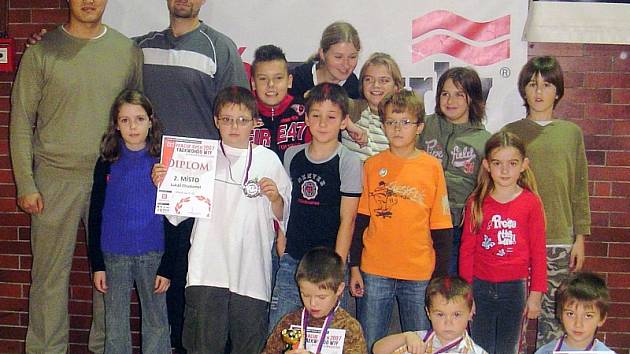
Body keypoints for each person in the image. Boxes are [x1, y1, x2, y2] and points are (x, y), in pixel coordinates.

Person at [9, 0, 143, 352]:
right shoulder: (42, 51)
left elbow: (138, 117)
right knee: (49, 280)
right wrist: (26, 182)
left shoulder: (126, 51)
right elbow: (21, 120)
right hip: (54, 179)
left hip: (111, 180)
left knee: (111, 278)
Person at [135, 2, 250, 350]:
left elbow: (239, 116)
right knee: (161, 283)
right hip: (153, 182)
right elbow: (100, 51)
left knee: (199, 284)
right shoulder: (141, 47)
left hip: (203, 189)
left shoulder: (220, 47)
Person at [154, 86, 291, 353]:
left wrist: (275, 199)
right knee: (203, 346)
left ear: (255, 122)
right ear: (216, 121)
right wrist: (165, 183)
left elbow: (285, 216)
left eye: (242, 120)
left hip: (251, 271)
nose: (234, 126)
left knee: (248, 346)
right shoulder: (198, 156)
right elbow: (175, 215)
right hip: (207, 269)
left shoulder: (269, 160)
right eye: (227, 119)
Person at [349, 90, 453, 351]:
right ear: (383, 125)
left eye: (405, 122)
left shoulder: (431, 167)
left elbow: (442, 228)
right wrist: (354, 266)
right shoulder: (373, 165)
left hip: (419, 274)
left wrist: (439, 277)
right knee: (371, 343)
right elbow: (361, 221)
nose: (397, 129)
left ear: (419, 127)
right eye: (391, 122)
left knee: (420, 345)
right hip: (375, 270)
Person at [502, 56, 591, 348]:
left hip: (557, 241)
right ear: (523, 90)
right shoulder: (511, 133)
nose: (539, 92)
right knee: (514, 319)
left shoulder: (571, 134)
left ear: (559, 91)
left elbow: (579, 187)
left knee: (553, 322)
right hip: (516, 240)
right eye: (532, 84)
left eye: (547, 84)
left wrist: (579, 237)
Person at [268, 83, 363, 330]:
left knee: (325, 338)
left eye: (331, 117)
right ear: (307, 119)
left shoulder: (349, 161)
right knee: (280, 331)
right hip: (293, 258)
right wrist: (281, 236)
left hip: (327, 264)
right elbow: (287, 203)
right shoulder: (292, 155)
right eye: (316, 116)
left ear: (344, 122)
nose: (322, 124)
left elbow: (348, 220)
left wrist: (337, 268)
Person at [88, 90, 171, 354]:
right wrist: (97, 265)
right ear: (116, 124)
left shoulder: (164, 163)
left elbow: (176, 219)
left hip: (153, 254)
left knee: (157, 323)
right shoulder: (107, 162)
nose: (133, 126)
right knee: (115, 325)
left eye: (139, 119)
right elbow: (95, 214)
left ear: (150, 121)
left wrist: (168, 266)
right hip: (114, 256)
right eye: (125, 120)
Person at [459, 131, 547, 354]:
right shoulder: (476, 202)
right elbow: (467, 251)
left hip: (514, 288)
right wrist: (467, 293)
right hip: (479, 286)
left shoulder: (530, 202)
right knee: (481, 348)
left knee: (508, 348)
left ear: (524, 165)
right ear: (487, 165)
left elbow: (538, 251)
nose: (505, 170)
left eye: (512, 163)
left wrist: (536, 294)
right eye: (498, 163)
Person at [416, 67, 491, 276]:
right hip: (421, 222)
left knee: (447, 286)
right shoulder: (424, 126)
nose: (451, 101)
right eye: (445, 94)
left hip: (457, 227)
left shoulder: (484, 140)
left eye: (459, 94)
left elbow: (485, 189)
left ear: (472, 99)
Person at [262, 247, 367, 354]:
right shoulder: (290, 322)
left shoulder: (349, 328)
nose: (313, 303)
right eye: (306, 295)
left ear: (339, 289)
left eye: (321, 297)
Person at [373, 276, 488, 354]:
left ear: (469, 313)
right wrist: (405, 337)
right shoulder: (418, 339)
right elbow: (377, 349)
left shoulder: (476, 351)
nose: (448, 322)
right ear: (428, 313)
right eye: (440, 314)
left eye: (456, 315)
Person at [341, 52, 404, 161]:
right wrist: (350, 126)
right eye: (369, 79)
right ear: (362, 84)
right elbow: (323, 98)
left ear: (396, 87)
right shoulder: (354, 108)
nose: (375, 85)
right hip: (355, 176)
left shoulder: (401, 118)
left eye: (384, 80)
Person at [535, 272, 613, 353]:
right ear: (560, 314)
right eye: (570, 314)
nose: (578, 324)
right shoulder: (545, 352)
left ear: (602, 318)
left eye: (588, 316)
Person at [290, 21, 361, 100]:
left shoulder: (355, 89)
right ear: (322, 54)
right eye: (338, 57)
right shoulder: (297, 80)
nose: (346, 65)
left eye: (352, 57)